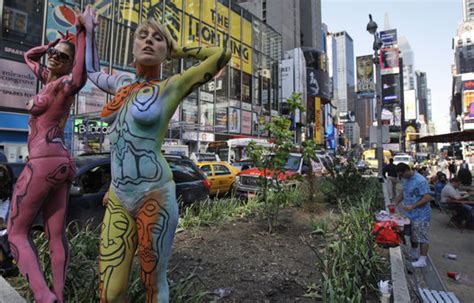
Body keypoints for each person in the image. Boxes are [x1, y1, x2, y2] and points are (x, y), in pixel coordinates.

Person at [82, 6, 230, 302]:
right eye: (143, 35)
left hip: (155, 196)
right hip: (118, 197)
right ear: (133, 46)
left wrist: (179, 50)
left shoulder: (172, 87)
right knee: (110, 293)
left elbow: (221, 54)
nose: (149, 41)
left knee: (152, 283)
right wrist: (90, 31)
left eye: (158, 38)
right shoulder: (121, 84)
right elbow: (91, 71)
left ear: (166, 50)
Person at [7, 9, 86, 303]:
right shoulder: (49, 79)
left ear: (70, 64)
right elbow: (29, 57)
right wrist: (50, 46)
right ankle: (60, 295)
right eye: (54, 53)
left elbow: (79, 76)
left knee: (16, 232)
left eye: (63, 56)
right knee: (56, 235)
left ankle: (44, 296)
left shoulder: (65, 85)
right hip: (62, 164)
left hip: (43, 162)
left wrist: (80, 32)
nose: (55, 57)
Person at [394, 163, 432, 268]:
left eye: (402, 174)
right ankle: (414, 253)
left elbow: (428, 197)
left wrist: (413, 206)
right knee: (412, 234)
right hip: (410, 214)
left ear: (407, 170)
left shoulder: (420, 181)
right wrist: (395, 202)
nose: (402, 177)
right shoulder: (406, 179)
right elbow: (404, 191)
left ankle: (423, 259)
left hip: (421, 214)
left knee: (422, 236)